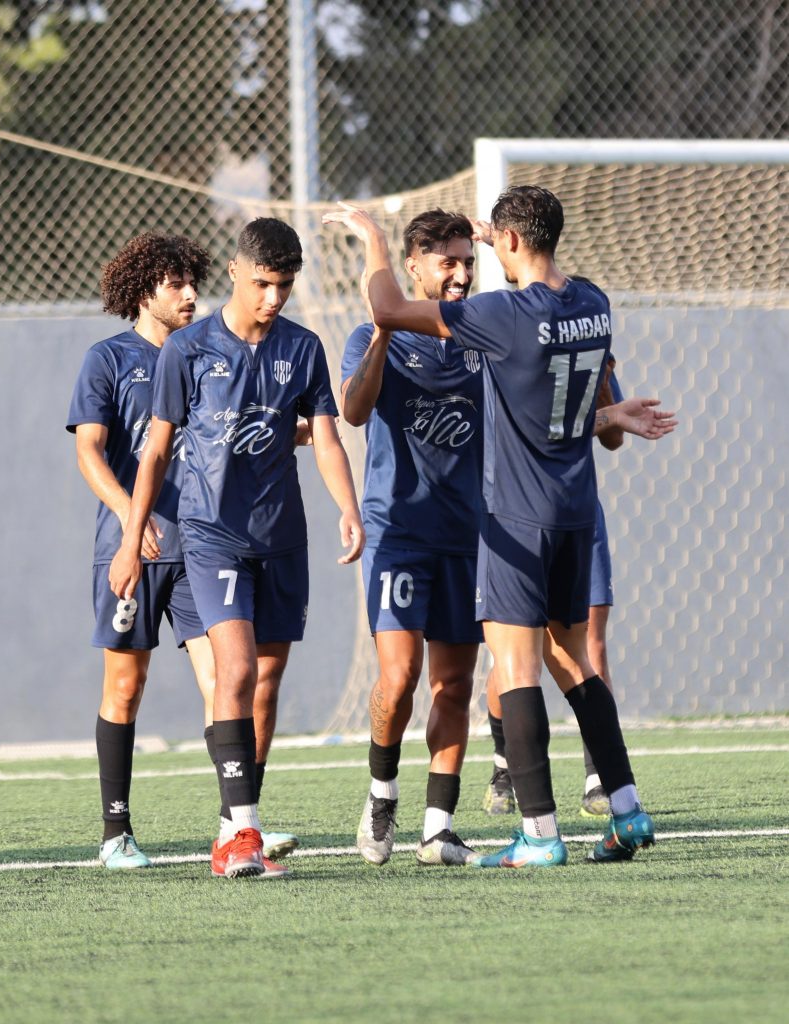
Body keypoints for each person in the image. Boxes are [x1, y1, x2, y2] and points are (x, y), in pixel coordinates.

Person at [324, 186, 676, 867]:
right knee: (573, 661)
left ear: (507, 242)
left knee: (515, 668)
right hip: (574, 512)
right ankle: (627, 811)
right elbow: (550, 403)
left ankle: (537, 834)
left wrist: (373, 238)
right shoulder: (593, 302)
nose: (467, 270)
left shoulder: (500, 318)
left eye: (479, 252)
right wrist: (610, 416)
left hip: (515, 516)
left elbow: (387, 307)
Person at [109, 217, 365, 879]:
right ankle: (246, 832)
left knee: (266, 684)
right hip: (211, 536)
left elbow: (326, 437)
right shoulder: (187, 350)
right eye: (262, 283)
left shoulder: (302, 348)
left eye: (284, 285)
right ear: (234, 271)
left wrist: (348, 507)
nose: (273, 297)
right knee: (237, 671)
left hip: (282, 539)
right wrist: (131, 538)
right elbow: (156, 451)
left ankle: (233, 829)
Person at [67, 232, 215, 869]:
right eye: (175, 283)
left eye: (193, 282)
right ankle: (116, 834)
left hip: (204, 549)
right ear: (143, 290)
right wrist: (133, 518)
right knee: (126, 686)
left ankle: (238, 825)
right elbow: (88, 451)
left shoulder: (209, 355)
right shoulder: (107, 359)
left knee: (225, 681)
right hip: (130, 551)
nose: (190, 294)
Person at [341, 209, 482, 867]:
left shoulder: (482, 337)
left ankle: (437, 827)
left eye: (467, 262)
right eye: (447, 262)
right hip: (398, 535)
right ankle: (381, 793)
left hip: (465, 540)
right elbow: (353, 410)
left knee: (454, 685)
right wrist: (382, 331)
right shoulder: (374, 334)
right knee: (398, 678)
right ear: (414, 267)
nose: (460, 275)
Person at [482, 354, 626, 819]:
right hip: (516, 519)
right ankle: (504, 766)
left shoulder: (587, 344)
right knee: (513, 656)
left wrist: (604, 381)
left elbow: (614, 437)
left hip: (578, 515)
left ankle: (598, 777)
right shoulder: (510, 343)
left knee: (588, 648)